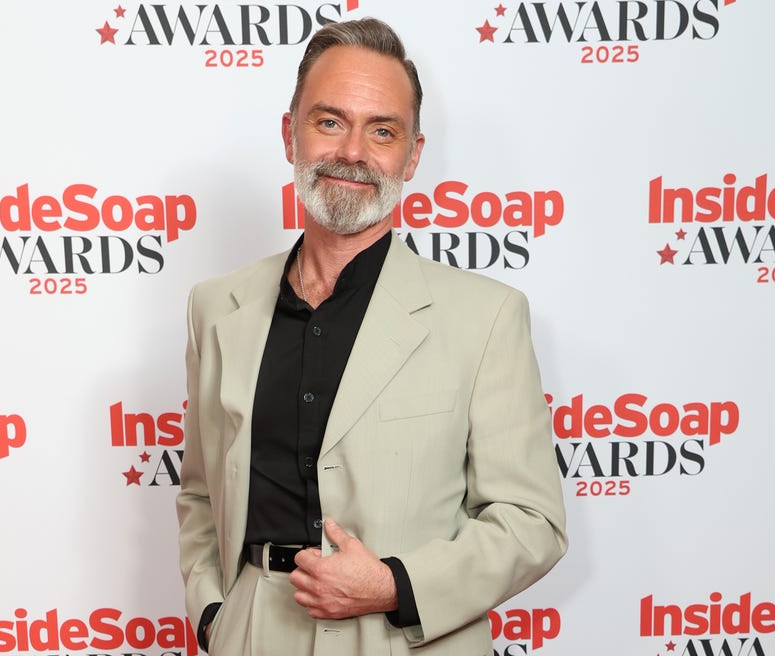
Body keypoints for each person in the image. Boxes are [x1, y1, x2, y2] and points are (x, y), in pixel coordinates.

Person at [176, 17, 567, 655]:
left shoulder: (487, 316)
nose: (353, 152)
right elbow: (198, 491)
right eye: (330, 121)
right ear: (290, 134)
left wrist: (393, 585)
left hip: (403, 638)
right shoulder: (216, 307)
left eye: (382, 130)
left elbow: (533, 523)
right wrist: (215, 614)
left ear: (412, 154)